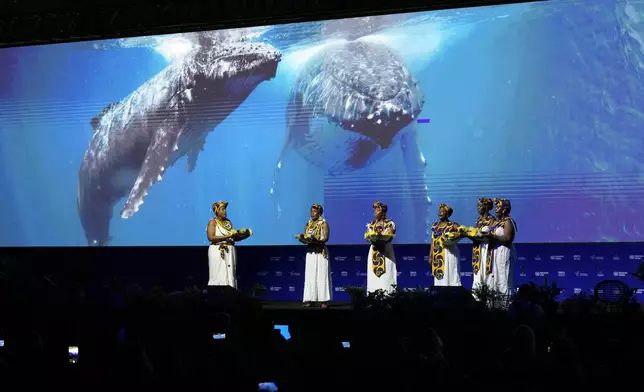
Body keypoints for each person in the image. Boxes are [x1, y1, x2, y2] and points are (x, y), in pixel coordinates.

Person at [297, 203, 332, 308]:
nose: (312, 213)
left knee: (322, 275)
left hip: (320, 251)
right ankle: (309, 299)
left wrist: (317, 240)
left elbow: (325, 238)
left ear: (320, 212)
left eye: (315, 211)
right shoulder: (308, 224)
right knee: (310, 275)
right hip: (310, 252)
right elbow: (305, 237)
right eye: (311, 211)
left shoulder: (324, 224)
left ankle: (323, 301)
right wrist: (302, 239)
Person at [206, 201, 243, 288]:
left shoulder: (228, 222)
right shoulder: (212, 222)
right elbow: (211, 237)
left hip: (230, 251)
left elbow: (232, 238)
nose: (225, 211)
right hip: (218, 251)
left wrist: (244, 235)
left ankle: (231, 293)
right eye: (222, 209)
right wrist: (228, 236)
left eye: (225, 209)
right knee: (219, 274)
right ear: (217, 211)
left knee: (230, 275)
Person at [487, 198, 517, 298]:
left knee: (504, 280)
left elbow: (508, 238)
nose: (495, 209)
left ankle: (505, 307)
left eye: (498, 207)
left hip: (504, 252)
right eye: (495, 207)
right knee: (495, 280)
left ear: (504, 209)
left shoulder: (508, 221)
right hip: (495, 252)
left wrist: (493, 237)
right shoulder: (495, 222)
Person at [365, 201, 397, 294]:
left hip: (386, 252)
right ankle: (373, 298)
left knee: (386, 276)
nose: (375, 211)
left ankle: (388, 298)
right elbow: (368, 236)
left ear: (383, 211)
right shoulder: (371, 224)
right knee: (373, 277)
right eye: (374, 209)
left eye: (377, 209)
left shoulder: (390, 223)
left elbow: (390, 235)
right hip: (374, 252)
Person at [429, 203, 462, 287]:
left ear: (447, 213)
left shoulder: (452, 224)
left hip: (449, 253)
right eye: (439, 211)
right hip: (438, 254)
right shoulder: (435, 226)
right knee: (440, 279)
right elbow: (433, 241)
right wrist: (431, 256)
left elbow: (462, 231)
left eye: (442, 211)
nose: (440, 213)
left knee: (451, 274)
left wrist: (455, 236)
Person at [470, 197, 496, 291]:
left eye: (480, 206)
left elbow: (492, 235)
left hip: (487, 248)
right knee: (478, 275)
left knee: (486, 273)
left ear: (486, 207)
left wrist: (480, 236)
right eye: (477, 206)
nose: (478, 207)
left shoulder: (491, 219)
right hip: (478, 248)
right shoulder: (478, 220)